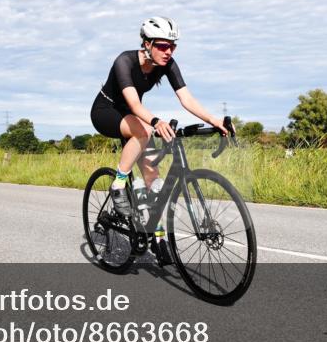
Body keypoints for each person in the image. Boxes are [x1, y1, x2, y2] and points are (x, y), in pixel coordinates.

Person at [90, 17, 227, 215]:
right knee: (146, 130)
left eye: (172, 46)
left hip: (132, 116)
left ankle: (157, 238)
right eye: (163, 46)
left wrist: (214, 120)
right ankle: (118, 186)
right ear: (147, 44)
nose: (168, 52)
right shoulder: (125, 61)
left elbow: (186, 99)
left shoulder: (167, 64)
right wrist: (156, 122)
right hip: (106, 111)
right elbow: (134, 104)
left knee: (153, 179)